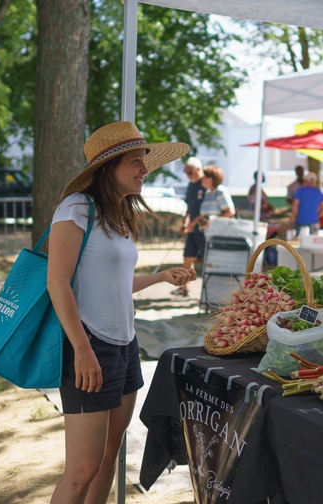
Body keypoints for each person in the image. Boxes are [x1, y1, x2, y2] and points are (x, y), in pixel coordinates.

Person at [47, 121, 197, 503]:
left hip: (125, 344)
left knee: (110, 453)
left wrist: (162, 276)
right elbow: (57, 283)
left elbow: (112, 284)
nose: (144, 169)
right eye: (135, 161)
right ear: (108, 167)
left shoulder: (120, 213)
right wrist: (82, 350)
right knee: (82, 468)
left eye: (145, 161)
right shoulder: (76, 207)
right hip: (89, 343)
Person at [175, 156, 205, 297]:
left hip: (203, 230)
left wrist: (195, 222)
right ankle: (185, 287)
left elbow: (207, 210)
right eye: (186, 173)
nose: (188, 176)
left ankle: (207, 290)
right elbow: (189, 208)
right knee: (188, 257)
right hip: (192, 230)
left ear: (198, 169)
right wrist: (185, 223)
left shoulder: (206, 184)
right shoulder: (191, 185)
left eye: (190, 173)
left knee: (206, 259)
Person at [189, 164, 236, 231]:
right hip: (209, 233)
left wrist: (213, 222)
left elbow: (230, 212)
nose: (202, 179)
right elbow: (205, 213)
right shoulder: (208, 192)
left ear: (210, 179)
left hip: (219, 233)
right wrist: (193, 223)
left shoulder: (220, 191)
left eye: (204, 177)